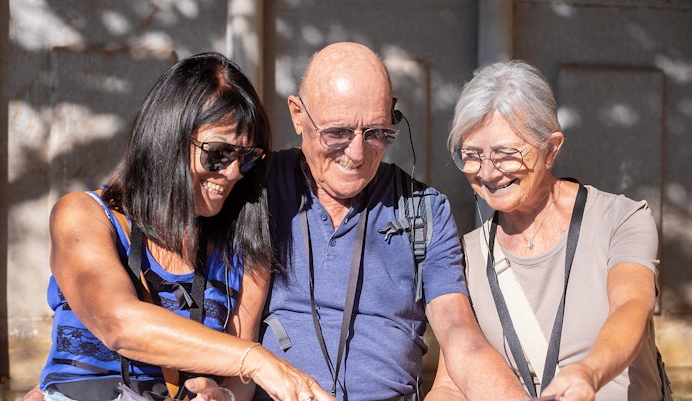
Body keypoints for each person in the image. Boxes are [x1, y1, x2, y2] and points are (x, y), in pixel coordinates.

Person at [34, 52, 333, 401]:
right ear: (168, 141)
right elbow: (118, 324)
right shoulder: (85, 215)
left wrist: (226, 396)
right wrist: (255, 361)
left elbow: (237, 379)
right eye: (218, 153)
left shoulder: (244, 249)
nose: (234, 173)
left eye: (248, 157)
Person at [254, 42, 528, 401]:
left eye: (376, 134)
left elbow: (459, 335)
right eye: (337, 133)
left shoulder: (424, 210)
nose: (356, 153)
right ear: (297, 115)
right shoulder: (257, 189)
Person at [433, 59, 664, 401]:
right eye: (471, 154)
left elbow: (632, 306)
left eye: (505, 153)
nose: (488, 172)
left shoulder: (620, 220)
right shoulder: (464, 256)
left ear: (551, 149)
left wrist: (589, 372)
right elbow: (450, 383)